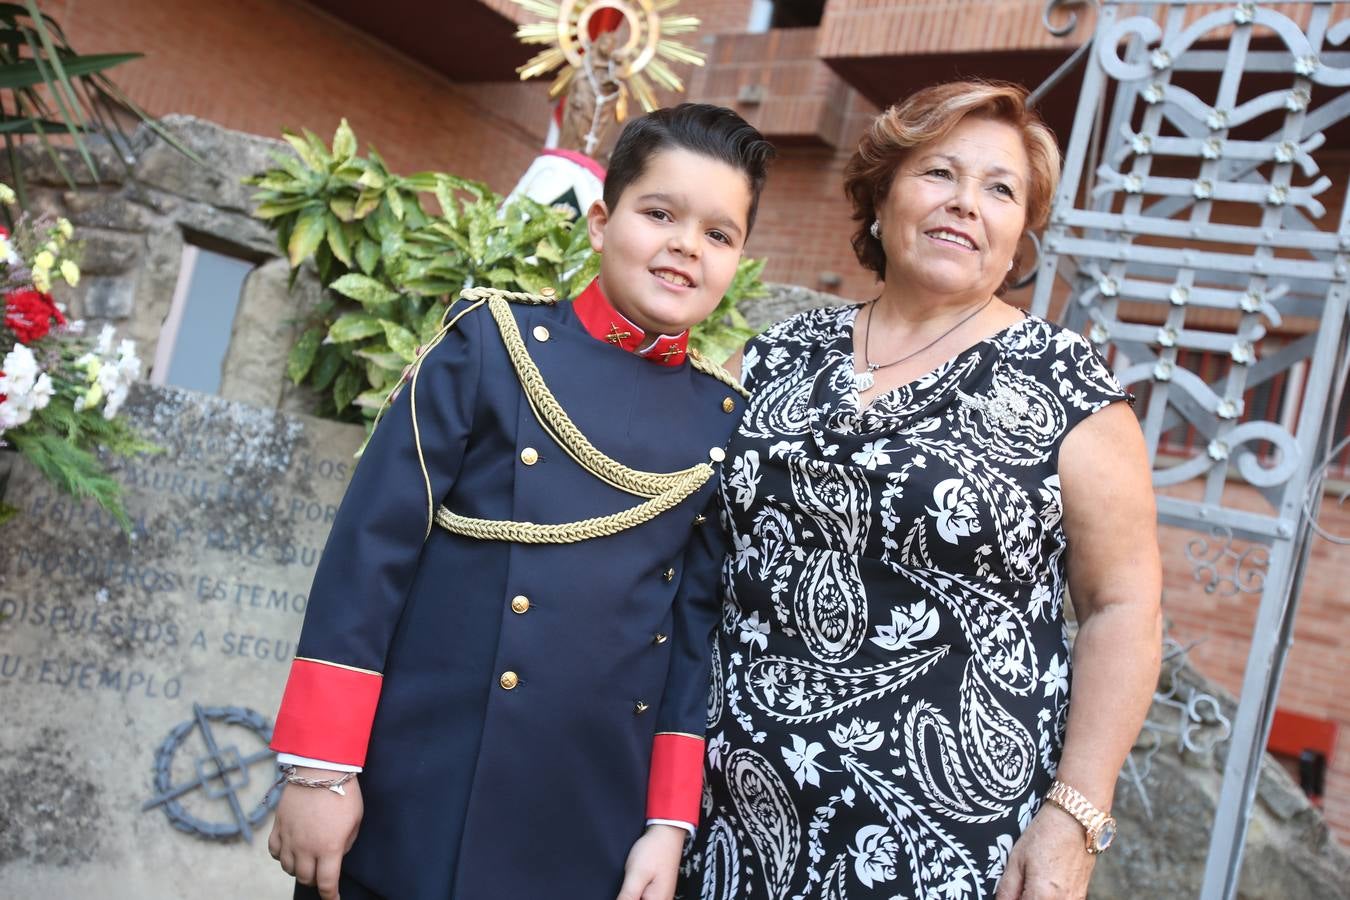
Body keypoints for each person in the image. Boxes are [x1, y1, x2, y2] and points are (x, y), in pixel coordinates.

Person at [266, 103, 775, 900]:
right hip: (416, 790)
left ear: (739, 259)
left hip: (589, 820)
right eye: (660, 213)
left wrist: (668, 825)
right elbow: (372, 553)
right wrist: (322, 771)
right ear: (602, 222)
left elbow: (690, 639)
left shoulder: (723, 421)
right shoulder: (489, 345)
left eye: (719, 234)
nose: (685, 246)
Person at [677, 81, 1161, 900]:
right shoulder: (781, 352)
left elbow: (1126, 605)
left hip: (944, 844)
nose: (967, 203)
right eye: (940, 173)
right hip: (720, 817)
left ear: (1019, 235)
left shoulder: (1066, 384)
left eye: (1000, 189)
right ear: (882, 196)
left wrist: (1075, 816)